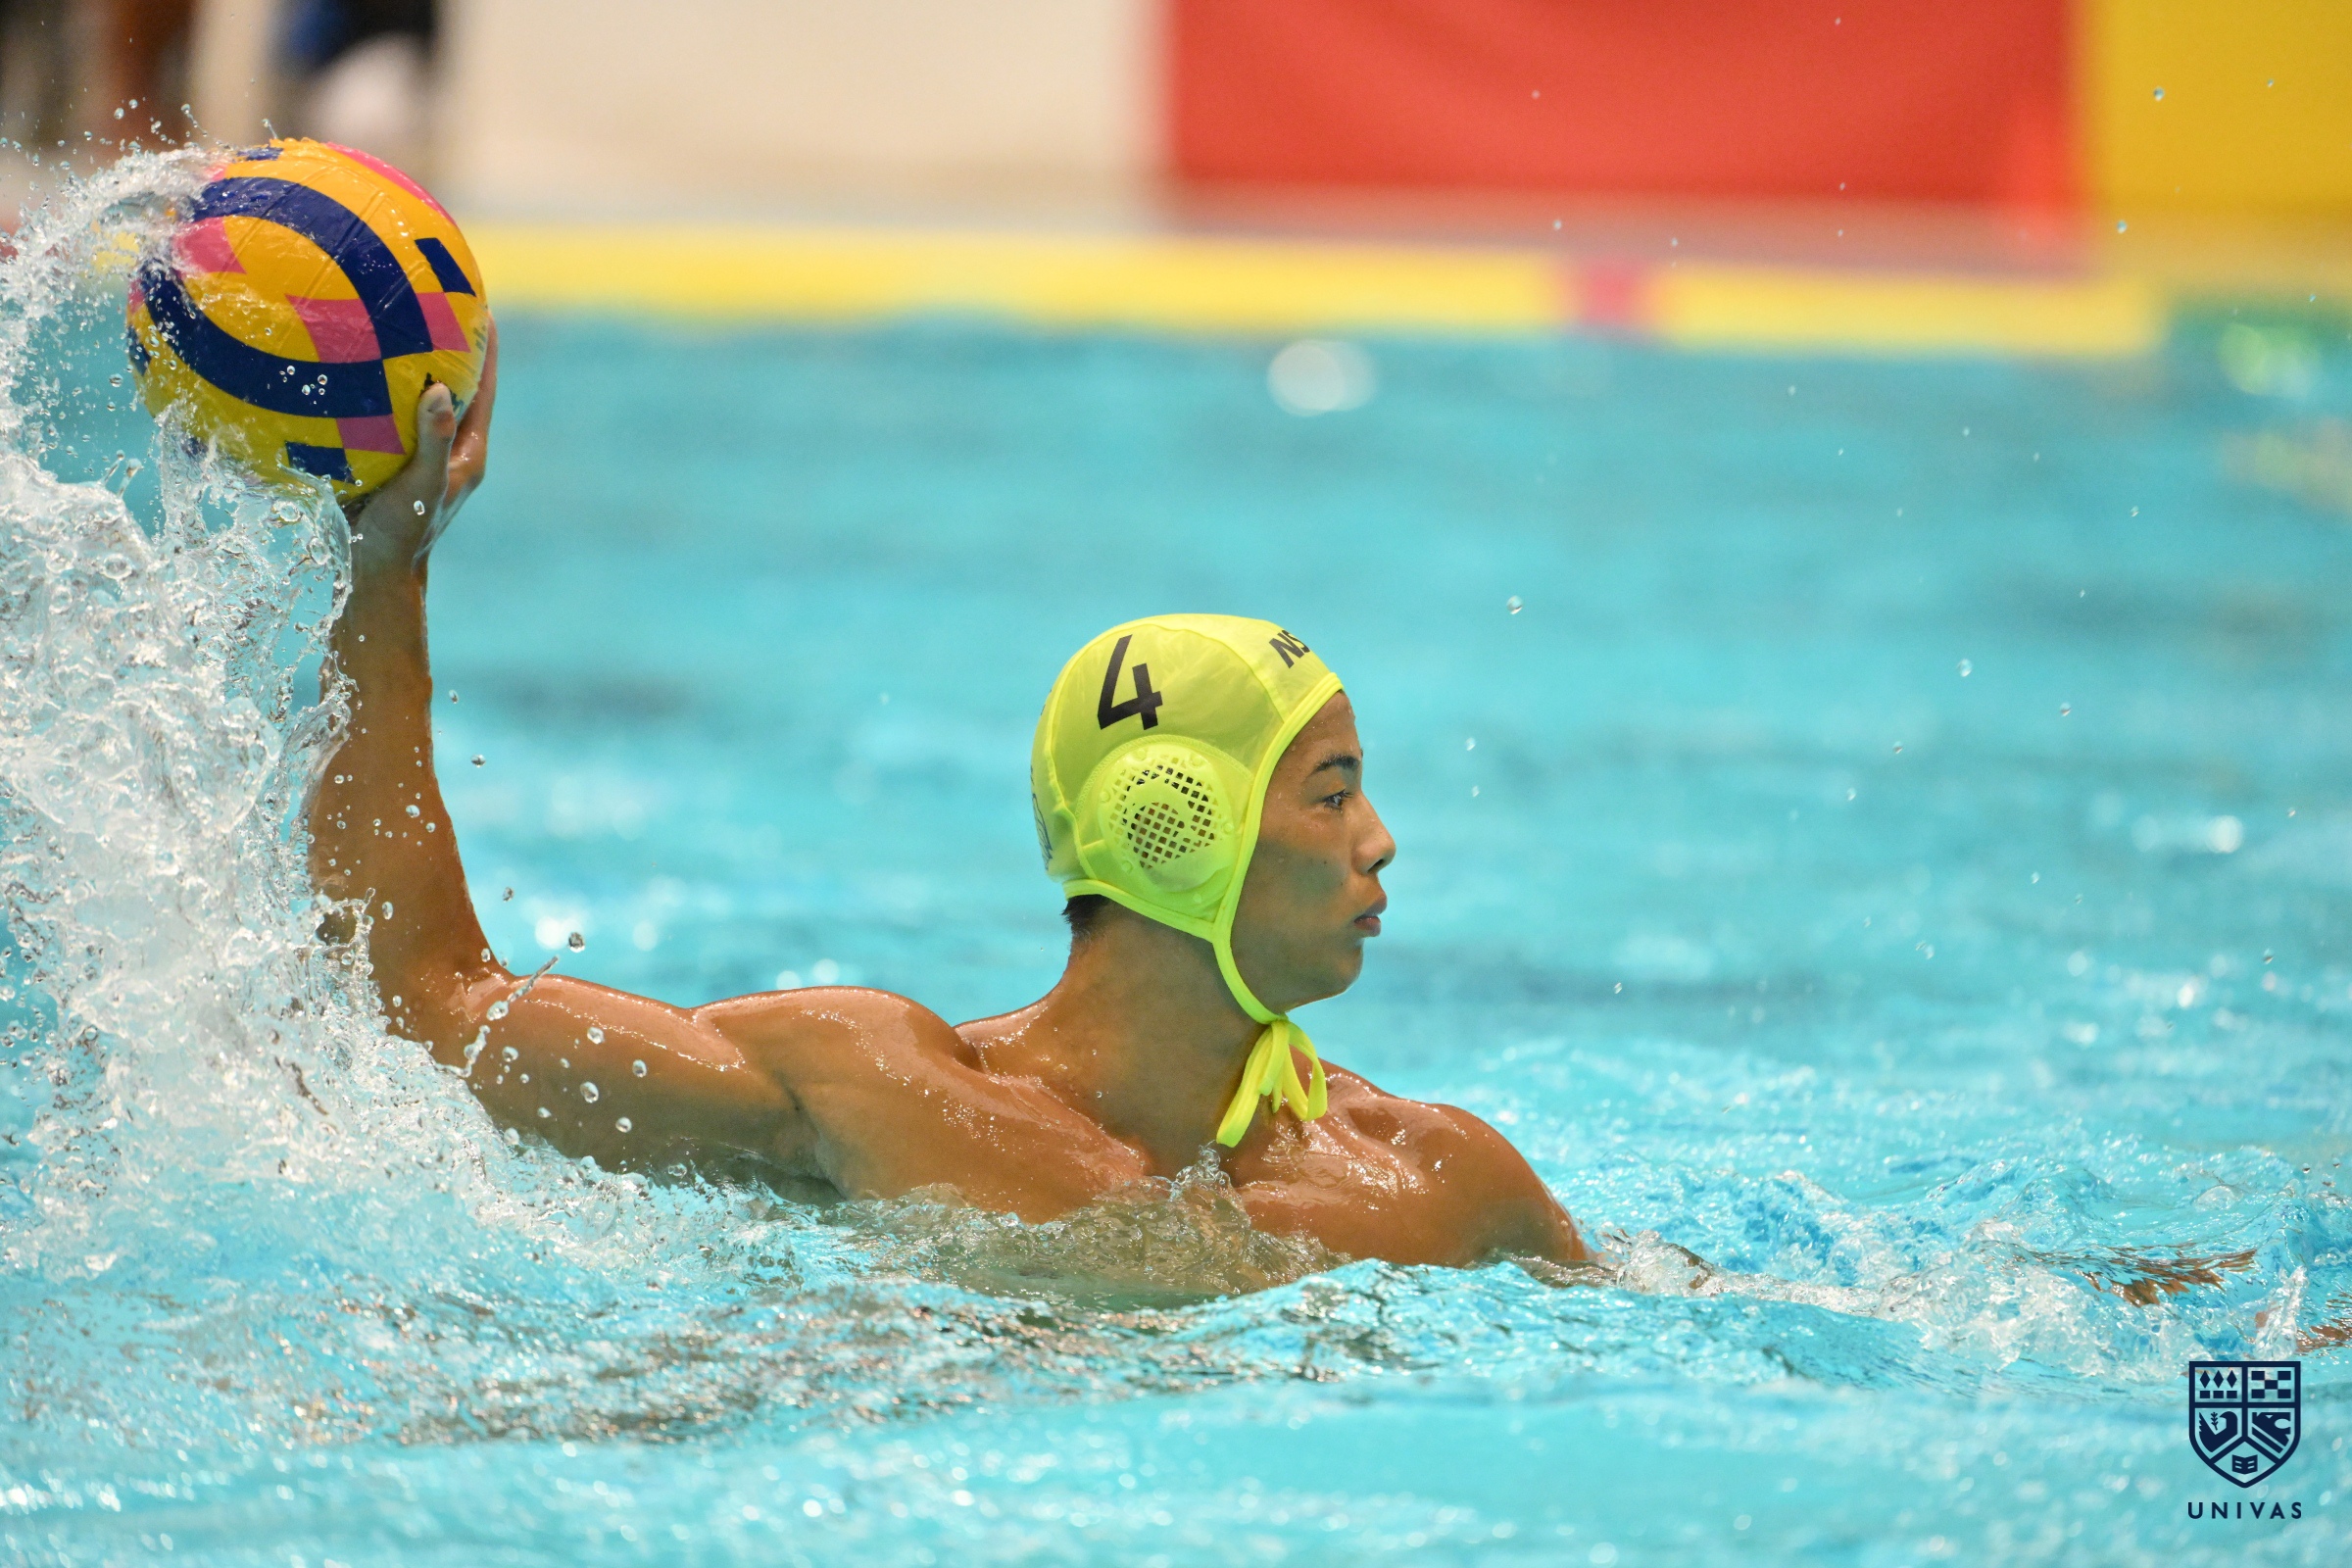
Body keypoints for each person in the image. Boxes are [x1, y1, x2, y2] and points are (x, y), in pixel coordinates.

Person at [313, 326, 1589, 1272]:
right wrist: (386, 577)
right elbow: (428, 1005)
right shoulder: (881, 1090)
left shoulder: (1440, 1184)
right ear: (1176, 827)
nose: (1380, 841)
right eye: (1331, 794)